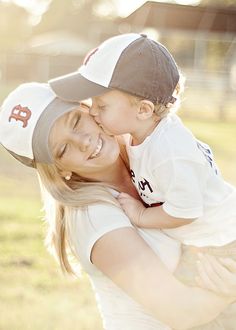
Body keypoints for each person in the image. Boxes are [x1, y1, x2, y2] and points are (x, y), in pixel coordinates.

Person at [1, 82, 236, 330]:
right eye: (63, 148)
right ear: (60, 170)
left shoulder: (147, 151)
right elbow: (181, 312)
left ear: (88, 110)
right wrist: (229, 289)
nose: (83, 142)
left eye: (75, 122)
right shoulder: (93, 216)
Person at [49, 32, 236, 280]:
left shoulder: (169, 151)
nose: (92, 112)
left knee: (198, 299)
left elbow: (186, 211)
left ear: (143, 109)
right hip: (210, 241)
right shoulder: (143, 136)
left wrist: (141, 215)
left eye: (102, 106)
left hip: (223, 243)